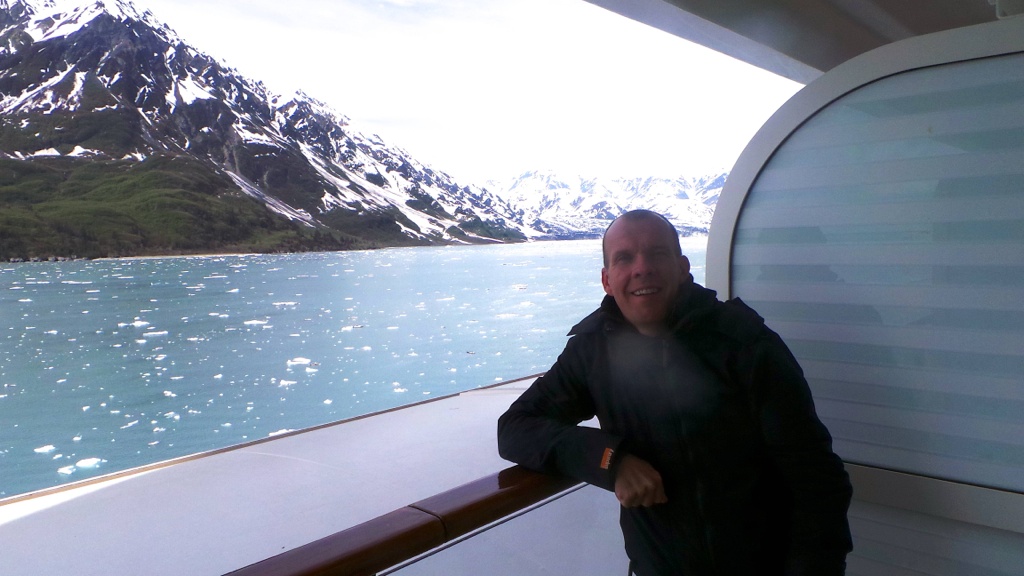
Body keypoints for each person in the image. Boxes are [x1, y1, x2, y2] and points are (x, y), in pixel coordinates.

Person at [497, 210, 853, 575]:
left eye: (657, 253)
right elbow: (514, 427)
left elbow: (816, 478)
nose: (642, 268)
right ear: (607, 280)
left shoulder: (744, 345)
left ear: (682, 268)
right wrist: (609, 460)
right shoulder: (592, 351)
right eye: (624, 258)